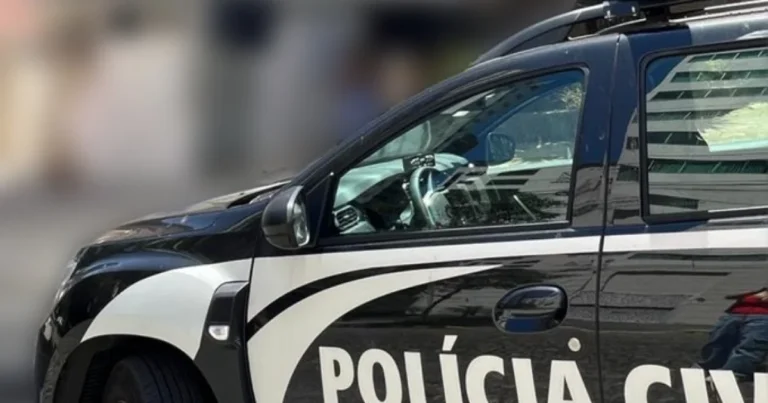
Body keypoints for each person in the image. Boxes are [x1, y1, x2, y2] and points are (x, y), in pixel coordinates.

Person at [697, 288, 768, 382]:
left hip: (762, 317)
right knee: (718, 341)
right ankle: (709, 367)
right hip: (736, 313)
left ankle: (733, 372)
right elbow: (728, 294)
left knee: (751, 346)